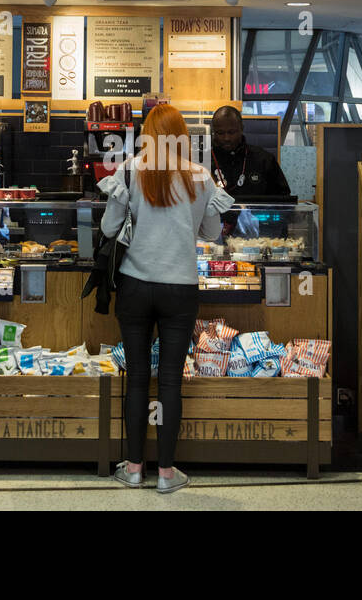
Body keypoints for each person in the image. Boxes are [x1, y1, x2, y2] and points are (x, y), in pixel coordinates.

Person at [100, 103, 233, 493]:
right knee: (171, 380)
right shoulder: (200, 177)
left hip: (135, 285)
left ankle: (135, 468)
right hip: (181, 288)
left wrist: (122, 203)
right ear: (181, 136)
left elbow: (109, 228)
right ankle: (168, 474)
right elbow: (210, 235)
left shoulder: (129, 169)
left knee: (139, 377)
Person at [209, 105, 292, 200]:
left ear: (241, 129)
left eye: (231, 132)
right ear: (213, 132)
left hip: (255, 214)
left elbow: (283, 199)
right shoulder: (202, 161)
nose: (226, 138)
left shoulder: (263, 160)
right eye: (220, 133)